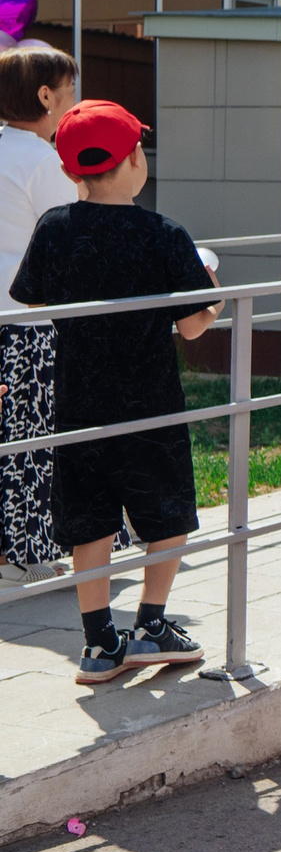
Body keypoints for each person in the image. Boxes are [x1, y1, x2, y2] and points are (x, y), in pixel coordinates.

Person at [11, 100, 223, 683]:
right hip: (149, 401)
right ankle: (153, 622)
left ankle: (100, 642)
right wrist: (213, 298)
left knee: (90, 520)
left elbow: (33, 299)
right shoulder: (162, 234)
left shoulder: (53, 228)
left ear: (69, 168)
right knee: (167, 508)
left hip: (77, 400)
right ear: (134, 160)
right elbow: (190, 324)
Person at [0, 35, 80, 583]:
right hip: (30, 320)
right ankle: (22, 555)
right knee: (31, 436)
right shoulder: (42, 161)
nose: (76, 100)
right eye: (72, 90)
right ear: (47, 96)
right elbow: (68, 239)